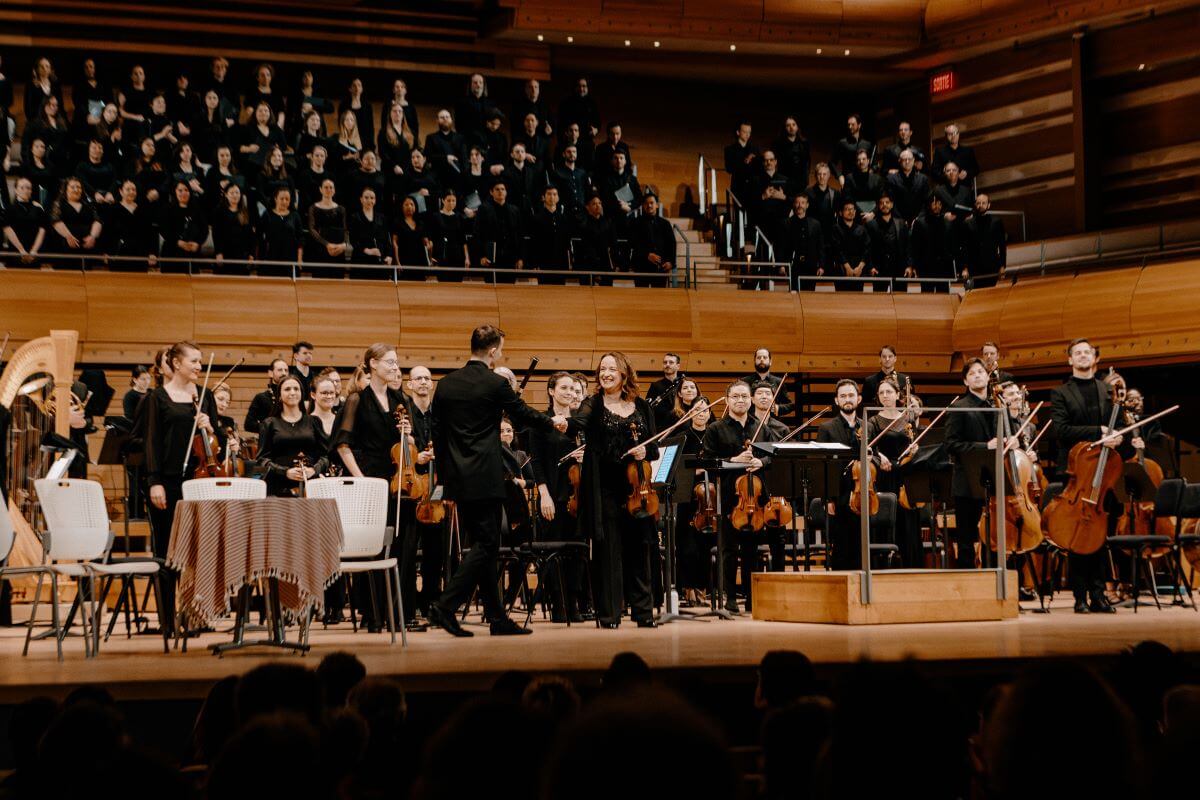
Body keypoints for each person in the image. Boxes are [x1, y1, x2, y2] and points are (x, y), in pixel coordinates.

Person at [426, 325, 566, 637]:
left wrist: (446, 478)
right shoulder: (495, 382)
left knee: (483, 545)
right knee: (488, 543)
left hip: (458, 478)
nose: (500, 354)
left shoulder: (446, 384)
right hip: (486, 475)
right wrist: (552, 421)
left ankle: (496, 616)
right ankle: (445, 606)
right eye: (500, 349)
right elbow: (522, 413)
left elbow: (437, 432)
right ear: (492, 351)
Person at [566, 352, 658, 627]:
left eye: (612, 368)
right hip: (604, 488)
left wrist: (645, 450)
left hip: (637, 489)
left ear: (624, 374)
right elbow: (577, 424)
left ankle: (643, 613)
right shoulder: (592, 404)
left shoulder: (642, 406)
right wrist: (562, 421)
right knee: (608, 554)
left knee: (639, 552)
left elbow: (654, 447)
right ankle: (609, 615)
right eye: (602, 369)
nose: (606, 373)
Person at [144, 341, 225, 637]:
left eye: (201, 361)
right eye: (194, 361)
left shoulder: (205, 397)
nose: (199, 366)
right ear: (176, 363)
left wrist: (210, 427)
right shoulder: (157, 398)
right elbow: (151, 442)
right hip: (167, 482)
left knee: (196, 554)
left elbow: (220, 444)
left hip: (199, 482)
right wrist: (154, 481)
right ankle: (167, 621)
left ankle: (193, 616)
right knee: (168, 554)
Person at [330, 343, 407, 631]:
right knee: (373, 548)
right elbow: (342, 444)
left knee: (392, 545)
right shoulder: (357, 400)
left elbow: (408, 444)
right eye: (389, 362)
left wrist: (408, 438)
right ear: (373, 364)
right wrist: (360, 478)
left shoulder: (399, 398)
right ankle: (372, 615)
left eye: (396, 362)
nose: (394, 367)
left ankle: (392, 614)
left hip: (395, 477)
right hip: (368, 478)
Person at [1050, 338, 1123, 613]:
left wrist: (1116, 438)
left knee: (1099, 535)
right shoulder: (1060, 393)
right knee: (1077, 534)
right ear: (1070, 360)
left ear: (1095, 358)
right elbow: (1061, 430)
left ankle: (1099, 594)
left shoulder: (1108, 391)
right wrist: (1099, 432)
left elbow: (1118, 429)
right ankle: (1080, 595)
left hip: (1103, 474)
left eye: (1087, 352)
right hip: (1076, 472)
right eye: (1077, 353)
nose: (1082, 356)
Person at [702, 380, 771, 613]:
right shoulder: (715, 429)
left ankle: (752, 599)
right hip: (729, 500)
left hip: (755, 500)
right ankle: (730, 599)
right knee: (729, 551)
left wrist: (760, 461)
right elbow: (708, 463)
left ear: (750, 400)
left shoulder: (761, 427)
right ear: (728, 400)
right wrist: (734, 461)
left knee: (752, 551)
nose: (740, 400)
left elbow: (773, 456)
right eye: (735, 397)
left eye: (744, 396)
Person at [528, 371, 586, 622]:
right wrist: (544, 495)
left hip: (579, 496)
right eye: (564, 388)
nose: (570, 393)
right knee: (556, 550)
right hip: (554, 493)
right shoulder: (541, 421)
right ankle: (558, 603)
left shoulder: (580, 424)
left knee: (577, 551)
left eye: (574, 389)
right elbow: (536, 462)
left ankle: (574, 601)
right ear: (551, 391)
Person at [944, 358, 996, 570]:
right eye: (972, 373)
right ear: (966, 381)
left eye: (981, 371)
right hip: (967, 481)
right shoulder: (958, 407)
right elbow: (951, 444)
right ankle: (967, 585)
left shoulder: (995, 405)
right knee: (966, 537)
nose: (977, 375)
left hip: (993, 479)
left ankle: (994, 578)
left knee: (993, 534)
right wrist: (985, 446)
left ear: (988, 376)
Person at [865, 376, 920, 566]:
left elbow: (913, 445)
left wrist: (914, 450)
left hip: (904, 476)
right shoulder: (873, 421)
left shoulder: (907, 420)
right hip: (883, 475)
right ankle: (882, 564)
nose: (885, 396)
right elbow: (867, 448)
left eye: (889, 392)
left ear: (898, 394)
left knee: (907, 521)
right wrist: (879, 457)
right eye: (881, 393)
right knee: (885, 520)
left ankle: (910, 564)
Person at [816, 379, 865, 569]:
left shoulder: (867, 426)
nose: (847, 399)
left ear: (858, 399)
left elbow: (874, 456)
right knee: (841, 546)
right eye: (843, 396)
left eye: (851, 395)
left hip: (863, 494)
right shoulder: (826, 428)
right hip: (839, 495)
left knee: (861, 546)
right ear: (836, 401)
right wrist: (827, 498)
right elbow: (822, 466)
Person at [255, 375, 327, 497]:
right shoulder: (269, 423)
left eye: (296, 389)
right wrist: (285, 472)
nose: (292, 392)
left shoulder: (314, 421)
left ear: (302, 393)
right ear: (279, 395)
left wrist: (314, 470)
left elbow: (326, 455)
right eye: (287, 389)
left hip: (310, 486)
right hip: (278, 488)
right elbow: (261, 461)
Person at [628, 193, 675, 287]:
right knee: (641, 298)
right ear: (643, 206)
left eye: (651, 203)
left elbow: (672, 244)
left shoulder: (665, 224)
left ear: (657, 205)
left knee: (659, 298)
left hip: (660, 268)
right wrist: (647, 255)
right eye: (646, 203)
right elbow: (633, 243)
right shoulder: (635, 222)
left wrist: (670, 262)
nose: (649, 205)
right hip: (641, 266)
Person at [258, 186, 303, 277]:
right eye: (281, 199)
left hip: (290, 259)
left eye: (287, 199)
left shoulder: (295, 216)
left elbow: (300, 239)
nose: (284, 201)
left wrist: (299, 259)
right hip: (271, 258)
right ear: (275, 199)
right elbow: (259, 236)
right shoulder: (267, 215)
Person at [348, 186, 393, 276]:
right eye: (366, 197)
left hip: (380, 262)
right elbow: (353, 240)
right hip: (361, 261)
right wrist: (367, 250)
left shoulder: (382, 218)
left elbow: (387, 241)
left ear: (375, 200)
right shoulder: (354, 217)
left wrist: (389, 256)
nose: (369, 200)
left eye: (372, 198)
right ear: (361, 199)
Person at [2, 176, 47, 265]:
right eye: (22, 187)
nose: (25, 190)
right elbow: (7, 229)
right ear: (16, 190)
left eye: (28, 188)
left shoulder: (38, 208)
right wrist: (22, 250)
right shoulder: (9, 209)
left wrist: (33, 251)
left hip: (34, 252)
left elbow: (42, 230)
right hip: (15, 252)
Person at [964, 193, 1006, 287]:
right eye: (978, 203)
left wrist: (1002, 266)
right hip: (974, 268)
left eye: (984, 203)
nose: (981, 205)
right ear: (975, 205)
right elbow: (965, 247)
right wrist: (965, 268)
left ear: (988, 205)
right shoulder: (968, 223)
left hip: (992, 266)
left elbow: (1002, 245)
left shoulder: (997, 222)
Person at [210, 182, 254, 271]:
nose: (235, 195)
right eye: (232, 193)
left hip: (242, 254)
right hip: (224, 253)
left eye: (237, 192)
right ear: (226, 194)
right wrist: (219, 252)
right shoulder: (219, 211)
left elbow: (250, 235)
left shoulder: (245, 211)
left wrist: (251, 254)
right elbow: (216, 234)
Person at [785, 193, 824, 287]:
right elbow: (783, 246)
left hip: (811, 265)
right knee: (793, 294)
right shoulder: (787, 223)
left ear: (807, 205)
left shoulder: (816, 224)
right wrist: (782, 265)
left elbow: (820, 247)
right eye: (797, 203)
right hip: (793, 266)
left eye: (802, 203)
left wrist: (821, 266)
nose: (800, 205)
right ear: (794, 204)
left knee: (809, 296)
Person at [831, 198, 872, 288]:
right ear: (841, 213)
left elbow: (867, 249)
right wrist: (847, 267)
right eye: (847, 209)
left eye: (852, 209)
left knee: (858, 299)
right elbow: (837, 249)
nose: (851, 211)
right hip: (841, 268)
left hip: (859, 269)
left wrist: (860, 267)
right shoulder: (836, 229)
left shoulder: (862, 229)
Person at [742, 348, 794, 418]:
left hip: (772, 424)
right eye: (759, 357)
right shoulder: (744, 382)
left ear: (770, 361)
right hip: (750, 424)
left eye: (765, 357)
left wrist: (777, 408)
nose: (762, 359)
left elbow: (790, 405)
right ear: (754, 361)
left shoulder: (779, 382)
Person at [244, 358, 289, 434]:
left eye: (286, 370)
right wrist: (270, 428)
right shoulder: (261, 398)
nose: (284, 373)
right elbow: (248, 425)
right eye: (280, 370)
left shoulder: (292, 396)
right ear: (270, 373)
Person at [886, 148, 931, 222]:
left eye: (909, 159)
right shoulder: (891, 179)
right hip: (898, 220)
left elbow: (926, 201)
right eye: (904, 159)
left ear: (913, 161)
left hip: (920, 219)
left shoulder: (923, 179)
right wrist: (900, 220)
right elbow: (891, 202)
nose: (907, 162)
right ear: (899, 161)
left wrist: (919, 218)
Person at [646, 352, 684, 431]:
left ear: (678, 366)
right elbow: (648, 409)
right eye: (665, 362)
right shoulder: (655, 386)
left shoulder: (684, 384)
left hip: (682, 427)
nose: (667, 365)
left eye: (671, 362)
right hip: (661, 429)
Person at [723, 121, 759, 203]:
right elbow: (729, 169)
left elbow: (760, 168)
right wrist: (745, 161)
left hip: (753, 188)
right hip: (738, 187)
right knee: (739, 213)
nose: (747, 135)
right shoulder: (730, 149)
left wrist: (757, 160)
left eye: (749, 132)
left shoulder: (754, 149)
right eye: (744, 132)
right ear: (738, 132)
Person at [771, 117, 810, 186]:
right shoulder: (777, 144)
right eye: (788, 125)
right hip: (784, 181)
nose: (791, 127)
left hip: (801, 182)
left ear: (797, 127)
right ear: (784, 128)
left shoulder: (805, 143)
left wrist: (806, 179)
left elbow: (808, 162)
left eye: (794, 124)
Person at [832, 113, 872, 179]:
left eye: (853, 124)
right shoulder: (842, 143)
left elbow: (874, 164)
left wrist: (871, 170)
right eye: (849, 125)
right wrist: (839, 176)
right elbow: (832, 162)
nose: (850, 127)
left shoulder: (867, 144)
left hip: (864, 181)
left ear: (859, 125)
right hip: (848, 181)